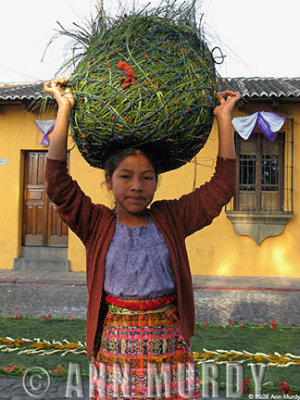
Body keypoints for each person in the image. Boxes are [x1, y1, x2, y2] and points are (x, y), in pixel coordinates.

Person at [44, 78, 240, 399]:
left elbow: (221, 187)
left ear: (156, 184)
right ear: (108, 181)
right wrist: (64, 109)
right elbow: (57, 183)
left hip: (169, 344)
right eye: (126, 176)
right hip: (114, 347)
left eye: (147, 178)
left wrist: (223, 118)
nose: (137, 186)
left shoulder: (172, 218)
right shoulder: (95, 223)